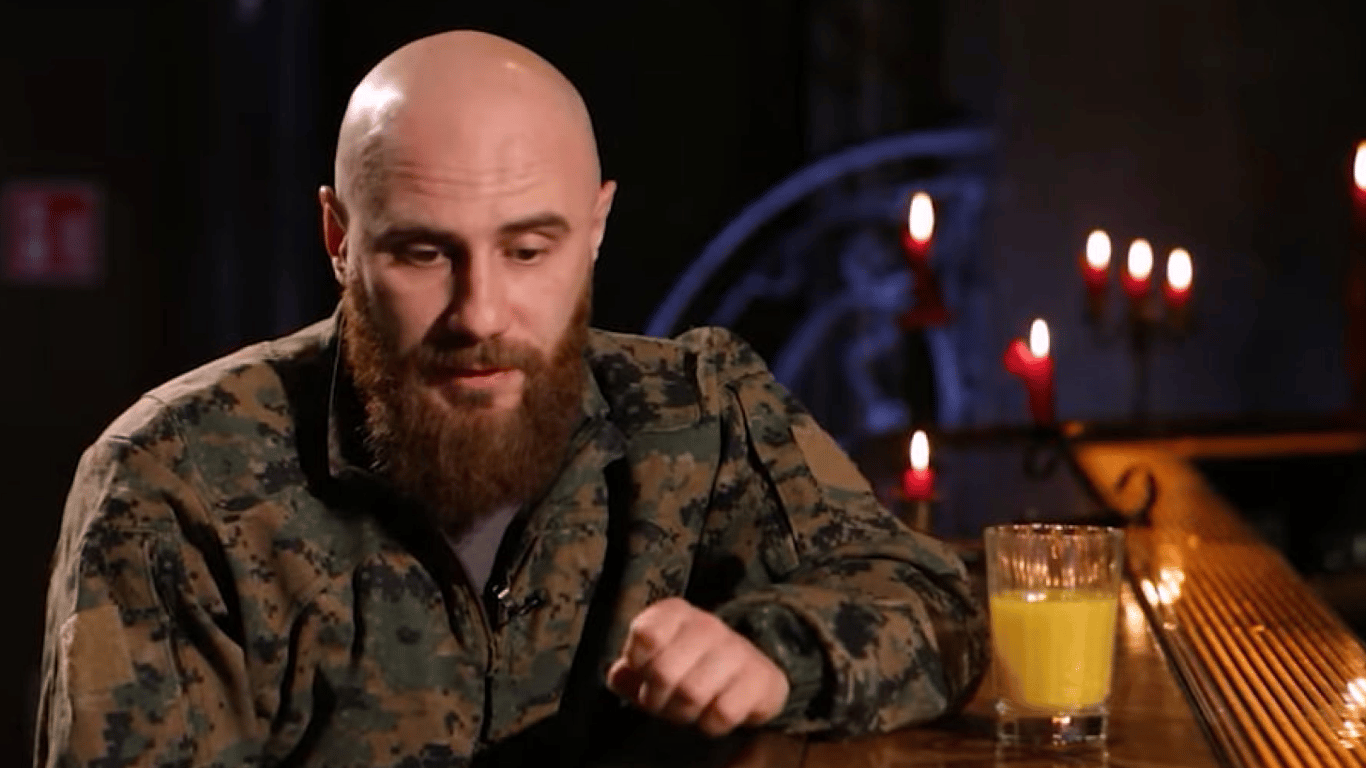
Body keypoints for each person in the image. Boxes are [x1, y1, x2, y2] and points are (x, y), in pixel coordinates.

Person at [35, 30, 987, 768]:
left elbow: (941, 607)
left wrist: (775, 654)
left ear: (597, 228)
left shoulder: (700, 413)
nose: (480, 313)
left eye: (529, 251)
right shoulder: (175, 484)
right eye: (422, 253)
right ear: (338, 237)